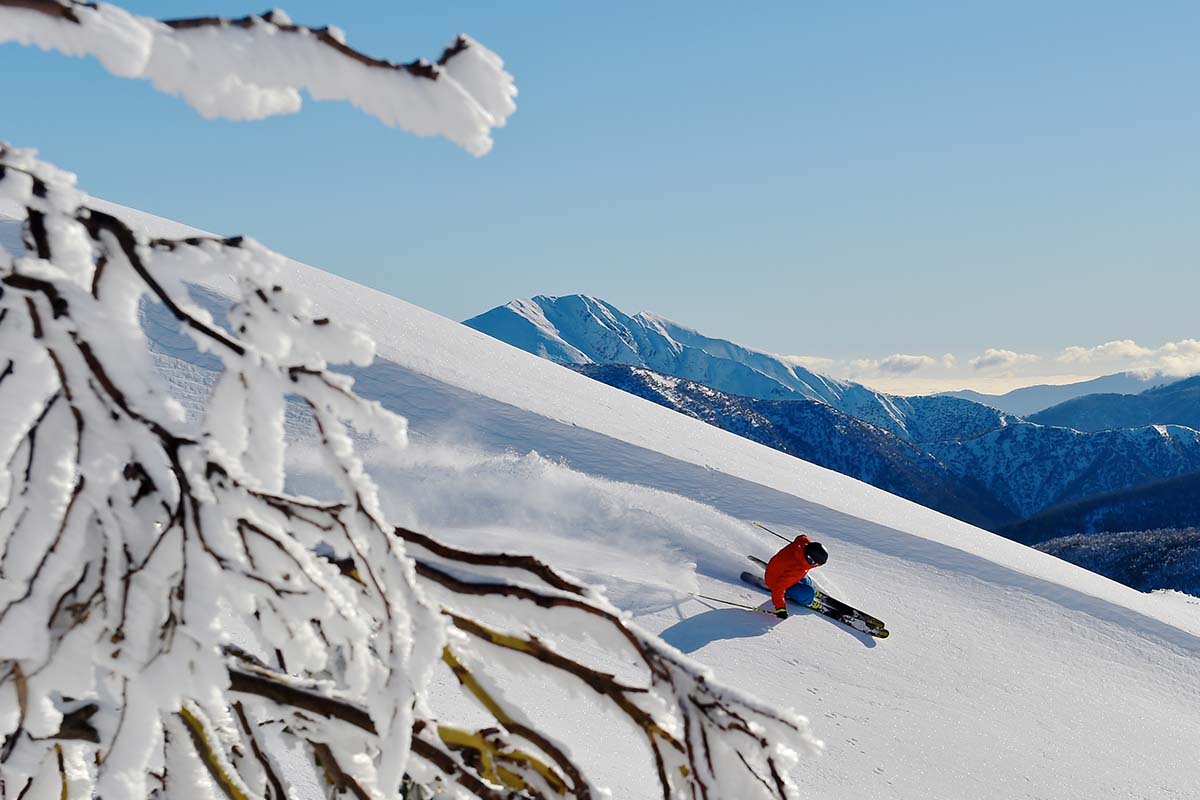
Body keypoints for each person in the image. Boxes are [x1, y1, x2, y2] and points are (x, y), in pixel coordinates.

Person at [764, 534, 828, 619]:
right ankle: (808, 601)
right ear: (810, 560)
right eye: (816, 564)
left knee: (807, 582)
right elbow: (779, 587)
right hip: (775, 582)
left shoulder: (802, 545)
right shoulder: (797, 569)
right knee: (807, 593)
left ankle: (809, 591)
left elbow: (802, 537)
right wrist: (780, 608)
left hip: (779, 571)